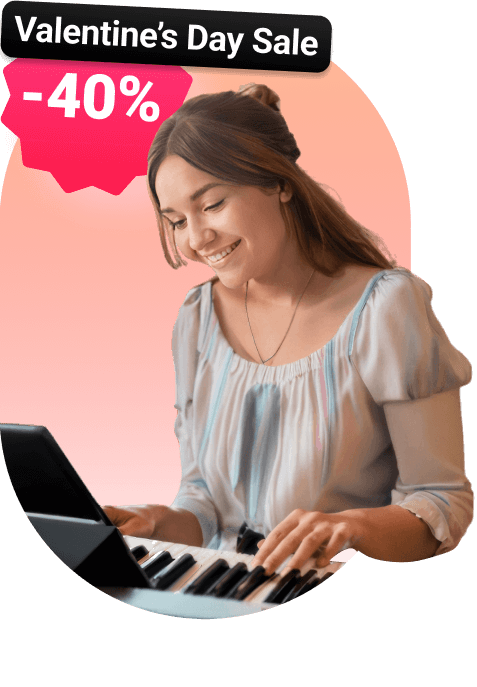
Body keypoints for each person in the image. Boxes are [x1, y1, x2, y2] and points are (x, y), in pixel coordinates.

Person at [103, 83, 473, 578]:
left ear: (279, 183)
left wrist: (351, 527)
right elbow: (207, 508)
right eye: (175, 221)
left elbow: (442, 504)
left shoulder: (386, 308)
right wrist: (155, 521)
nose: (195, 239)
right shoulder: (197, 317)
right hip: (222, 587)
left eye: (212, 205)